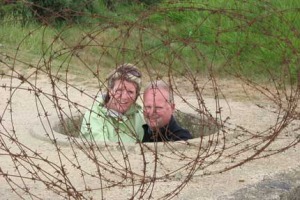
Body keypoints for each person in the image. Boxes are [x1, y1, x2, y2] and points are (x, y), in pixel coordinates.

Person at [80, 63, 145, 143]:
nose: (124, 96)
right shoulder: (94, 115)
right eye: (119, 90)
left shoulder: (141, 116)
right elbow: (102, 150)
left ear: (136, 95)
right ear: (110, 91)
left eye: (130, 92)